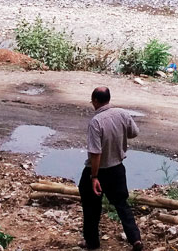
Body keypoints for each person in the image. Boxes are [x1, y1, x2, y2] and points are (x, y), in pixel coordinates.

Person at [79, 87, 143, 251]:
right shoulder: (122, 113)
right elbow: (134, 133)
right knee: (122, 204)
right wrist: (118, 134)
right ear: (108, 99)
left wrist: (94, 177)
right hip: (117, 169)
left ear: (95, 101)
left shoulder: (96, 121)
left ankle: (92, 243)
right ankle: (135, 238)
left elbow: (95, 153)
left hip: (98, 171)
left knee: (91, 207)